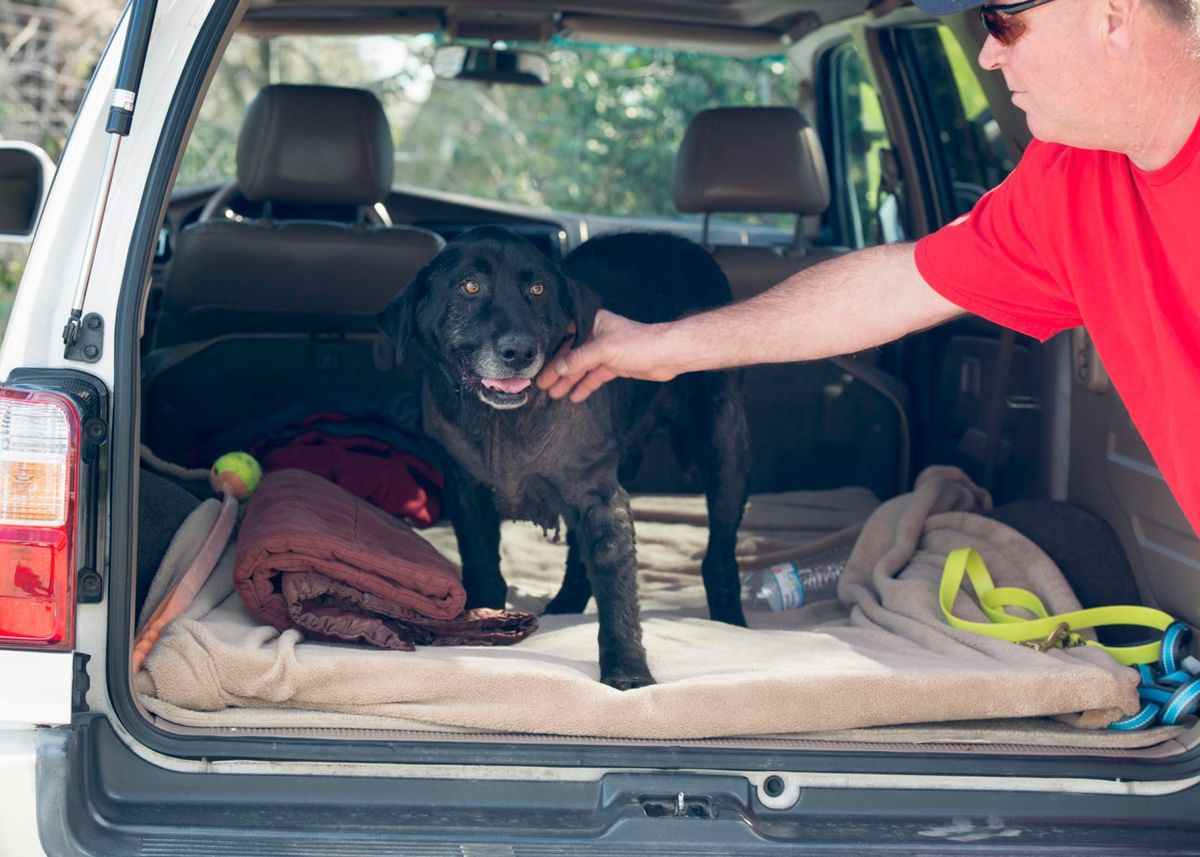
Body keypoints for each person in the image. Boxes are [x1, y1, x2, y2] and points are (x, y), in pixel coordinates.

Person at [537, 0, 1200, 536]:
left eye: (1002, 20)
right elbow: (895, 285)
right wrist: (659, 346)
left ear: (1111, 16)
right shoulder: (1070, 181)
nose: (987, 52)